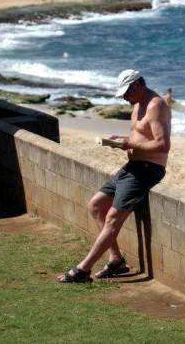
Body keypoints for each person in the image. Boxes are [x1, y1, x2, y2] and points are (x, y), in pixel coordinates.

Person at [58, 69, 171, 283]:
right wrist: (121, 140)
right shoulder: (137, 104)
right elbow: (141, 135)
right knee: (96, 205)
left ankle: (83, 270)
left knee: (111, 217)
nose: (126, 98)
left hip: (148, 169)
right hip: (133, 165)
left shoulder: (155, 105)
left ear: (138, 85)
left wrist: (129, 144)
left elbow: (162, 145)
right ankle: (116, 259)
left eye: (127, 92)